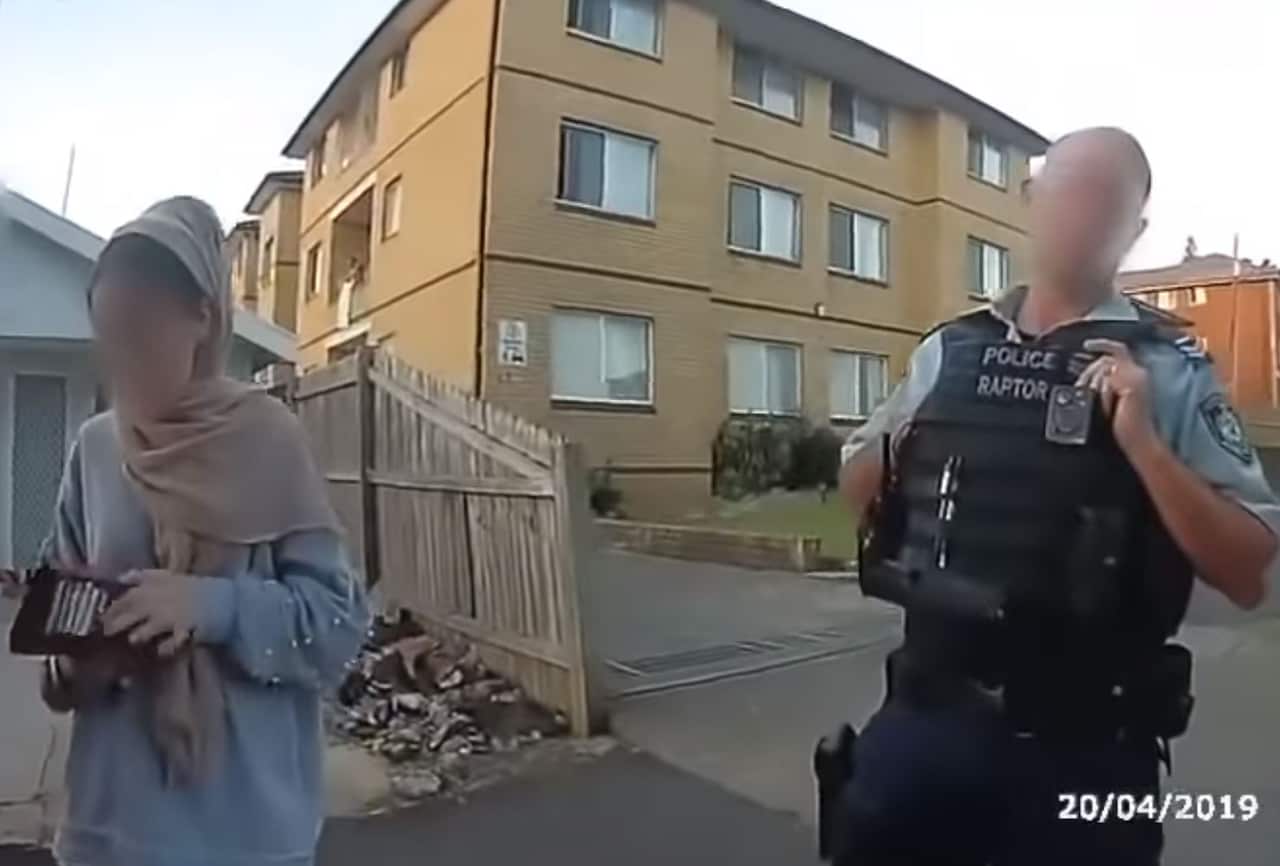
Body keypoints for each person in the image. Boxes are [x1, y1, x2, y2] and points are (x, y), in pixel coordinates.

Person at [832, 128, 1279, 866]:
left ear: (1134, 230)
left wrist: (1143, 444)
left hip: (1088, 753)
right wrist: (913, 426)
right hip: (924, 725)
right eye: (1071, 189)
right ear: (1031, 201)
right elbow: (860, 497)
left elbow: (1247, 570)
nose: (1084, 214)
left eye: (1110, 201)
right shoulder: (949, 349)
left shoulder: (1170, 367)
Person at [39, 197, 370, 866]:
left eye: (141, 333)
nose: (124, 360)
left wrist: (211, 607)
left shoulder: (268, 441)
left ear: (204, 318)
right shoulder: (97, 450)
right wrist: (71, 661)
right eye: (110, 337)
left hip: (241, 834)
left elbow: (337, 626)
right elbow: (55, 614)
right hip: (107, 830)